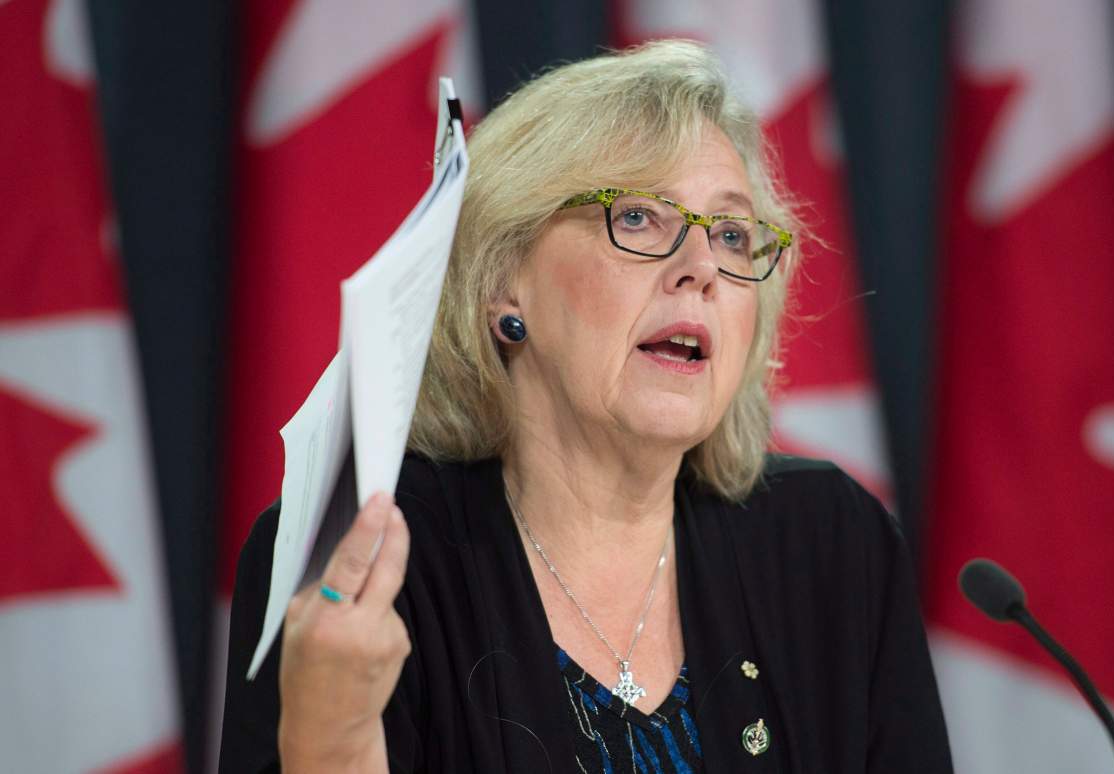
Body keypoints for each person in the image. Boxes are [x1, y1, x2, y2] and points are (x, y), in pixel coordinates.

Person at [218, 39, 953, 773]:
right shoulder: (361, 566)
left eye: (731, 234)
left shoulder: (831, 548)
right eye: (637, 217)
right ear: (504, 282)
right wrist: (332, 743)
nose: (701, 269)